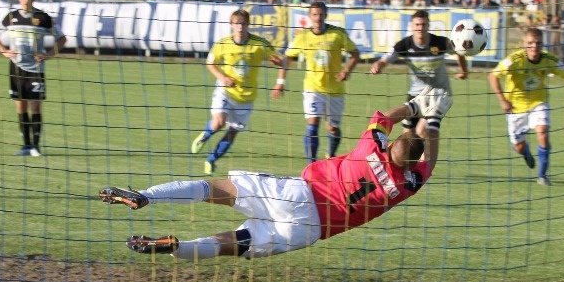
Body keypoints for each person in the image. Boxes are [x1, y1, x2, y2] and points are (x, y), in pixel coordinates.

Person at [100, 90, 451, 258]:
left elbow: (382, 120)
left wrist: (418, 105)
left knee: (213, 188)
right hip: (310, 230)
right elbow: (428, 163)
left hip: (298, 194)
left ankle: (147, 196)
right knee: (236, 245)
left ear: (389, 146)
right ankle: (178, 247)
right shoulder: (405, 186)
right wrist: (432, 124)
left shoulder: (370, 148)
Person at [190, 9, 284, 175]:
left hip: (246, 98)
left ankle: (211, 160)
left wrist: (279, 81)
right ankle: (204, 136)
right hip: (225, 92)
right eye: (237, 23)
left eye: (244, 23)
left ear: (248, 24)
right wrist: (223, 77)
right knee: (219, 122)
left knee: (232, 133)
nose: (240, 27)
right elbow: (210, 63)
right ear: (232, 25)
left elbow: (281, 62)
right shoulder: (223, 44)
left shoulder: (259, 45)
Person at [369, 9, 467, 164]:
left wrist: (464, 71)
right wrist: (379, 65)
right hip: (415, 94)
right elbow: (386, 58)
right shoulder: (405, 45)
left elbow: (459, 51)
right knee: (407, 137)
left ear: (428, 26)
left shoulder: (440, 42)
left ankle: (423, 168)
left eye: (423, 24)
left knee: (422, 130)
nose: (420, 27)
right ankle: (401, 165)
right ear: (411, 26)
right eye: (417, 24)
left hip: (438, 95)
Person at [488, 27, 564, 186]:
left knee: (543, 132)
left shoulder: (549, 60)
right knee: (518, 146)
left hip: (538, 103)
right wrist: (503, 100)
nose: (534, 47)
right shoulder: (514, 60)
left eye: (538, 43)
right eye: (530, 43)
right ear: (524, 44)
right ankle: (525, 151)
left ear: (542, 44)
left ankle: (542, 175)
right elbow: (492, 76)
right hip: (515, 109)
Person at [274, 2, 360, 163]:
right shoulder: (302, 36)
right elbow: (288, 58)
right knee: (312, 126)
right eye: (314, 15)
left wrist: (347, 70)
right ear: (309, 17)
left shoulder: (337, 34)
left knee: (333, 128)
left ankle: (330, 155)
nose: (318, 18)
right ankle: (311, 165)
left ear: (326, 15)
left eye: (321, 15)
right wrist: (280, 81)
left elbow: (355, 53)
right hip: (312, 88)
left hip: (335, 89)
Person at [0, 0, 66, 156]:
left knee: (36, 106)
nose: (26, 0)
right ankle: (25, 146)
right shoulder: (11, 17)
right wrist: (4, 51)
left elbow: (62, 39)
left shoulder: (43, 18)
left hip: (36, 69)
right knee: (21, 106)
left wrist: (48, 55)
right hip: (16, 68)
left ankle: (36, 147)